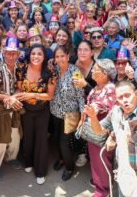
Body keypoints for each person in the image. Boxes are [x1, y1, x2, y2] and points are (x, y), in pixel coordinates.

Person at [85, 80, 137, 192]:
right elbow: (98, 130)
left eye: (127, 95)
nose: (124, 100)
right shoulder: (116, 112)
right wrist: (93, 117)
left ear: (135, 94)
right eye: (120, 97)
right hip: (123, 173)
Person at [16, 44, 56, 185]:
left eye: (39, 54)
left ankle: (40, 171)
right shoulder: (22, 69)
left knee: (41, 140)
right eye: (33, 53)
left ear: (44, 56)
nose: (36, 56)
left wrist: (32, 94)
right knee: (27, 137)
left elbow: (50, 96)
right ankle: (28, 162)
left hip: (42, 110)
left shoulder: (50, 71)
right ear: (29, 55)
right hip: (26, 109)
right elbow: (19, 89)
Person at [0, 38, 23, 180]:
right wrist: (9, 97)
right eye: (8, 53)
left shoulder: (19, 67)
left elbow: (19, 86)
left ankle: (11, 158)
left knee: (15, 136)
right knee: (0, 139)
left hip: (14, 108)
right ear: (3, 53)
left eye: (14, 53)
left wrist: (17, 95)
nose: (11, 56)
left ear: (18, 53)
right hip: (0, 110)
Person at [78, 59, 117, 196]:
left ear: (105, 73)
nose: (92, 71)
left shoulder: (110, 88)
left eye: (96, 69)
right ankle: (99, 185)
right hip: (93, 127)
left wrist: (92, 110)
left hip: (102, 128)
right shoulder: (97, 87)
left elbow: (103, 106)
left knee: (102, 160)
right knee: (96, 159)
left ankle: (103, 190)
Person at [50, 46, 85, 181]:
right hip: (55, 111)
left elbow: (81, 96)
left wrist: (82, 116)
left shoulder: (75, 72)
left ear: (68, 56)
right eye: (57, 57)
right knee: (55, 138)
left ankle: (70, 167)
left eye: (62, 56)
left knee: (64, 142)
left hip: (70, 114)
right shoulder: (55, 70)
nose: (60, 59)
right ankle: (61, 159)